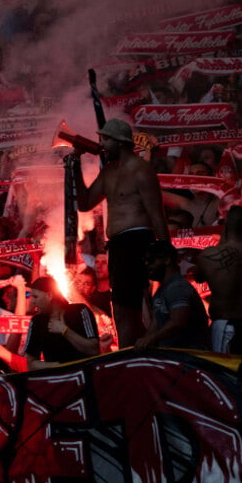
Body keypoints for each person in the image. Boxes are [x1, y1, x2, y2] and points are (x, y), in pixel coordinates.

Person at [70, 118, 169, 348]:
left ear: (120, 142)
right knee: (121, 305)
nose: (102, 144)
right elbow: (84, 204)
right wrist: (75, 163)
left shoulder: (141, 171)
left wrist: (165, 251)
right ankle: (128, 353)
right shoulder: (109, 172)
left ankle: (151, 351)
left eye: (106, 139)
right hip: (118, 245)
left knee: (143, 302)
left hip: (139, 241)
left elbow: (157, 214)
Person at [135, 241, 210, 351]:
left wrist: (150, 339)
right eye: (145, 261)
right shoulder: (162, 290)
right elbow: (156, 322)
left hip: (191, 356)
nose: (147, 264)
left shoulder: (177, 287)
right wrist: (144, 343)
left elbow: (178, 322)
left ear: (167, 260)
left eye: (151, 260)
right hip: (174, 356)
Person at [19, 276, 99, 369]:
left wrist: (64, 330)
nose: (32, 301)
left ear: (49, 295)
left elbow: (94, 350)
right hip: (58, 380)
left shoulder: (80, 311)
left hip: (84, 376)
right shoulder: (37, 321)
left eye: (35, 296)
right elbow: (30, 363)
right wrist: (57, 367)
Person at [197, 205, 242, 353]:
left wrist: (223, 240)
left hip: (225, 323)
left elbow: (198, 277)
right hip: (228, 323)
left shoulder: (208, 256)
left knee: (224, 374)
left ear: (226, 227)